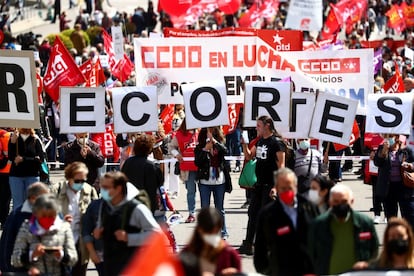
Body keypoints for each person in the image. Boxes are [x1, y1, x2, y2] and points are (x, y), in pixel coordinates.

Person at [93, 171, 161, 276]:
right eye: (102, 187)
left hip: (132, 266)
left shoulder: (136, 209)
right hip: (110, 265)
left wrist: (129, 237)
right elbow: (100, 226)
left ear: (119, 188)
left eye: (106, 187)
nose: (103, 191)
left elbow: (157, 235)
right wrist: (98, 232)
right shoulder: (104, 206)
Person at [254, 168, 318, 275]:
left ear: (296, 187)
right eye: (283, 189)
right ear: (277, 189)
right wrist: (269, 270)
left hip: (308, 271)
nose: (287, 192)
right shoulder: (267, 214)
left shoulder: (309, 208)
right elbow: (260, 248)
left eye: (290, 188)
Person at [237, 115, 285, 255]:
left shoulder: (277, 143)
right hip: (258, 184)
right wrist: (245, 145)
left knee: (267, 216)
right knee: (252, 213)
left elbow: (281, 166)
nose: (256, 128)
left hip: (270, 185)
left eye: (259, 125)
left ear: (267, 125)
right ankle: (248, 244)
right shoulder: (259, 142)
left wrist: (276, 187)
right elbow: (249, 156)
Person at [309, 184, 379, 275]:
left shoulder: (365, 223)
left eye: (344, 201)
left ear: (352, 201)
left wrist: (367, 264)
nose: (340, 205)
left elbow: (374, 250)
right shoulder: (319, 225)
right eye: (336, 201)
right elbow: (311, 253)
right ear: (330, 202)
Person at [11, 194, 78, 275]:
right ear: (36, 213)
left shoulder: (64, 227)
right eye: (43, 215)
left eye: (51, 216)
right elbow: (15, 260)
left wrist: (61, 255)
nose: (47, 219)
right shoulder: (27, 227)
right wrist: (32, 255)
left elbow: (73, 259)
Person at [52, 162, 99, 276]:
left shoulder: (89, 191)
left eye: (83, 181)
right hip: (60, 242)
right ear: (69, 178)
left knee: (80, 272)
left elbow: (97, 215)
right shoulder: (57, 190)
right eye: (77, 181)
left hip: (81, 242)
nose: (80, 184)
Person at [0, 182, 49, 273]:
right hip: (21, 269)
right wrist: (6, 269)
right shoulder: (17, 216)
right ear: (33, 198)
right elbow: (7, 244)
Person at [181, 207, 241, 275]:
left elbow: (239, 271)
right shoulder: (187, 254)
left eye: (215, 232)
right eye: (208, 232)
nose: (211, 236)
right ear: (199, 229)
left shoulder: (230, 254)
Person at [194, 127, 230, 239]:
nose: (210, 134)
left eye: (212, 132)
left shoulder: (220, 144)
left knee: (220, 208)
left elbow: (225, 151)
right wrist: (205, 149)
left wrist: (215, 143)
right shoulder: (199, 147)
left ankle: (223, 231)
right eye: (208, 132)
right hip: (205, 181)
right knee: (205, 208)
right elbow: (197, 162)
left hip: (219, 181)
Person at [374, 134, 414, 227]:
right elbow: (377, 162)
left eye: (391, 136)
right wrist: (384, 150)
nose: (389, 139)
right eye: (387, 137)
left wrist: (410, 165)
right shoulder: (382, 148)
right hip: (388, 188)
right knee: (391, 218)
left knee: (409, 216)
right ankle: (394, 238)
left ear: (396, 138)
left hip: (404, 187)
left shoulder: (406, 149)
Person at [121, 133, 164, 214]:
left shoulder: (128, 162)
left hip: (130, 201)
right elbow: (160, 182)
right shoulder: (152, 165)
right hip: (148, 202)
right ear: (149, 149)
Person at [169, 118, 199, 223]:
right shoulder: (180, 134)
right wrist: (177, 154)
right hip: (187, 168)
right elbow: (171, 146)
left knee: (205, 191)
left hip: (201, 167)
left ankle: (205, 214)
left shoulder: (200, 132)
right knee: (191, 191)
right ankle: (192, 213)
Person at [8, 128, 45, 210]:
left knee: (32, 204)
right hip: (16, 175)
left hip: (32, 175)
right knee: (17, 204)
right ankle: (19, 222)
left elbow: (41, 159)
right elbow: (10, 157)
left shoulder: (35, 139)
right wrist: (12, 143)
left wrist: (24, 159)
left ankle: (31, 222)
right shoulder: (14, 138)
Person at [0, 128, 11, 228]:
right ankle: (4, 221)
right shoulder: (6, 135)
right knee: (5, 198)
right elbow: (9, 153)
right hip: (6, 170)